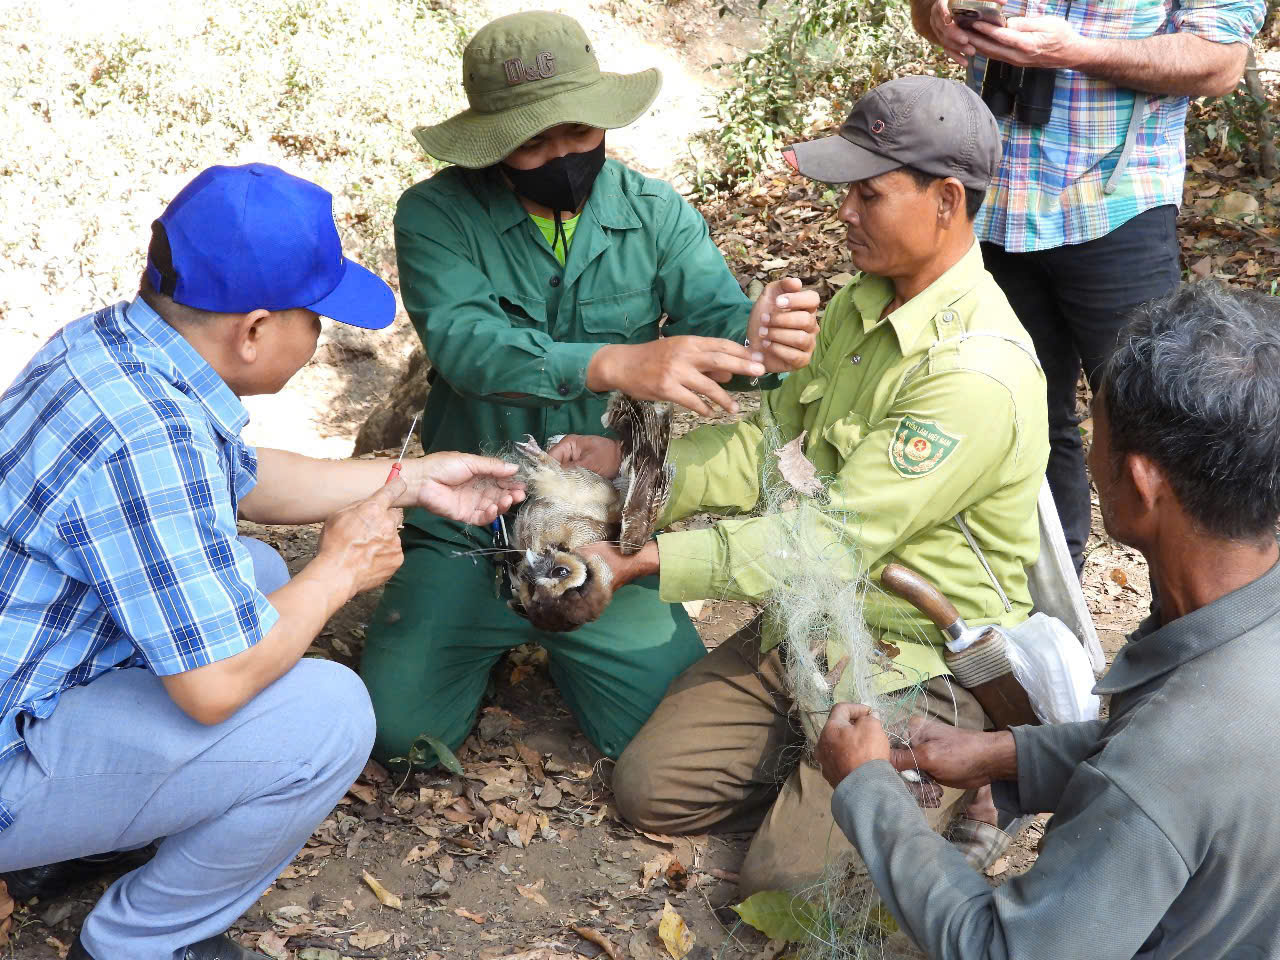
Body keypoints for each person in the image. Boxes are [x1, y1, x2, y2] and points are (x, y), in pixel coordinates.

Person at [0, 163, 522, 960]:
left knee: (257, 575)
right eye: (312, 317)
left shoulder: (112, 347)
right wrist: (341, 568)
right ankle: (136, 944)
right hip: (12, 751)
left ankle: (87, 833)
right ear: (252, 330)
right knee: (330, 716)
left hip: (28, 673)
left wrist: (411, 477)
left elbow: (241, 479)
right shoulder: (152, 438)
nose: (319, 339)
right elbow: (213, 689)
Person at [565, 75, 1050, 896]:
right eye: (844, 194)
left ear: (946, 200)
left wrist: (645, 562)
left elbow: (824, 536)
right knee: (649, 790)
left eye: (868, 194)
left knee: (785, 896)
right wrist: (636, 471)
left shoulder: (972, 373)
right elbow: (769, 445)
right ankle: (818, 758)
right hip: (816, 621)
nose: (845, 215)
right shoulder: (865, 302)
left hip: (917, 658)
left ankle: (967, 778)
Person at [361, 10, 820, 768]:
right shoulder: (436, 216)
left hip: (597, 525)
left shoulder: (653, 214)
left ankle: (568, 628)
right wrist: (614, 363)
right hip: (466, 520)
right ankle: (479, 629)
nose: (562, 156)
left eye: (578, 134)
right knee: (399, 733)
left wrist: (766, 343)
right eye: (533, 143)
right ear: (491, 143)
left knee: (661, 737)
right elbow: (469, 346)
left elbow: (724, 330)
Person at [817, 281, 1280, 958]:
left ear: (1144, 484)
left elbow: (999, 949)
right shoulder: (1231, 640)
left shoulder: (1167, 760)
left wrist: (866, 790)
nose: (1087, 457)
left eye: (1096, 432)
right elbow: (1183, 783)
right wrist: (1005, 755)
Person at [911, 0, 1264, 574]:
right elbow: (925, 10)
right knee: (1017, 420)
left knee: (1161, 428)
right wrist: (941, 15)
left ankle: (1188, 641)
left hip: (1116, 203)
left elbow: (1220, 62)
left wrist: (1075, 51)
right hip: (994, 200)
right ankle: (1049, 624)